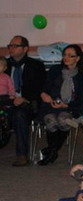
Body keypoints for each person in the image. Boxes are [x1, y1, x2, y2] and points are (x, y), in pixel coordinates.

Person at [37, 44, 83, 166]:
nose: (67, 58)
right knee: (51, 120)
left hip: (70, 107)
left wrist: (65, 105)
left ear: (77, 58)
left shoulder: (82, 76)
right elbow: (45, 89)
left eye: (71, 56)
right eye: (65, 55)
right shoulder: (55, 70)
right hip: (50, 105)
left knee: (62, 120)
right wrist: (44, 95)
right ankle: (52, 151)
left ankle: (52, 151)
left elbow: (82, 99)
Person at [6, 35, 46, 167]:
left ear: (25, 48)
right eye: (10, 46)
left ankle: (22, 155)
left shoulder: (35, 65)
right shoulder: (4, 65)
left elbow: (41, 88)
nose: (11, 48)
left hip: (27, 103)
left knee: (19, 113)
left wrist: (24, 99)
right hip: (6, 101)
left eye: (15, 46)